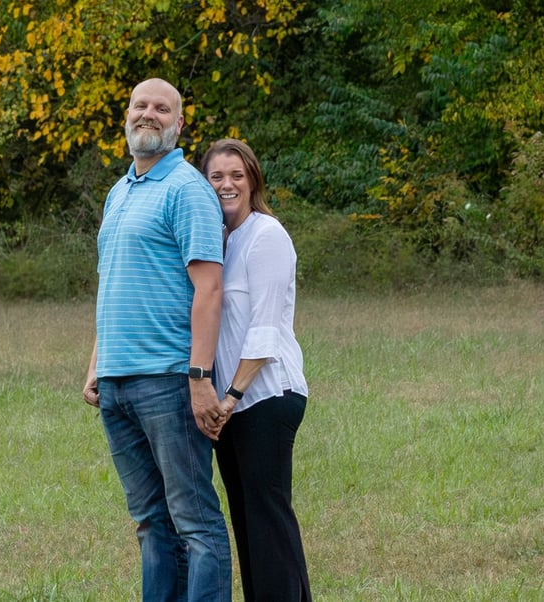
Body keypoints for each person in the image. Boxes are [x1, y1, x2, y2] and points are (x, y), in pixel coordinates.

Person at [82, 79, 232, 601]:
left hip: (168, 381)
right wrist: (97, 361)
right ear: (127, 116)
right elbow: (114, 281)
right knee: (150, 522)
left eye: (162, 108)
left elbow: (209, 289)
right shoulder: (119, 191)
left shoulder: (187, 189)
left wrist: (199, 378)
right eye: (140, 106)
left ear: (179, 124)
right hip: (117, 382)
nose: (149, 114)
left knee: (194, 521)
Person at [201, 139, 312, 601]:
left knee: (267, 519)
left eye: (236, 175)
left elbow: (265, 329)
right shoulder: (220, 242)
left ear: (253, 181)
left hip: (265, 396)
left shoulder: (267, 235)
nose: (226, 184)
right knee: (248, 520)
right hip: (232, 405)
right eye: (216, 177)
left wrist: (230, 396)